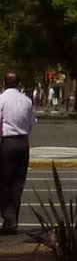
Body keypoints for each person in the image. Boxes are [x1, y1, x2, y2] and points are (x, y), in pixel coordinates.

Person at [0, 70, 36, 233]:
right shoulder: (26, 100)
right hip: (23, 142)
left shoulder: (2, 99)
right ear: (18, 83)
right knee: (17, 183)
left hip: (7, 143)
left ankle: (9, 217)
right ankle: (12, 220)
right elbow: (30, 124)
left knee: (3, 182)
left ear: (4, 83)